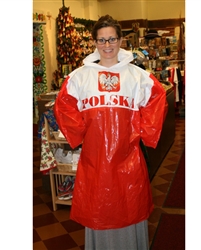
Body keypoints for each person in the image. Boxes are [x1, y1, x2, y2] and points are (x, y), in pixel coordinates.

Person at [54, 14, 167, 250]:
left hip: (128, 159)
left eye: (112, 39)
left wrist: (143, 131)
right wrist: (81, 131)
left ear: (120, 40)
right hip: (95, 161)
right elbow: (64, 104)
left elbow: (157, 97)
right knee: (99, 213)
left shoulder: (137, 76)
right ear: (95, 42)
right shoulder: (80, 76)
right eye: (102, 40)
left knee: (130, 209)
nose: (107, 45)